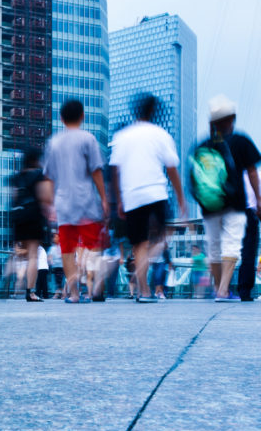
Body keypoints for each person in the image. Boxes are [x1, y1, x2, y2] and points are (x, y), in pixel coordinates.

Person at [110, 93, 187, 303]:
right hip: (156, 194)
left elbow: (115, 171)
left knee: (139, 245)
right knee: (161, 239)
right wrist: (181, 198)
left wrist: (119, 200)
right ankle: (142, 277)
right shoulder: (160, 134)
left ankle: (144, 292)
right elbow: (171, 169)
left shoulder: (122, 136)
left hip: (132, 196)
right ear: (153, 111)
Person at [191, 95, 261, 302]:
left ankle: (218, 287)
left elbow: (195, 176)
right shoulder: (241, 141)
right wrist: (258, 198)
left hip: (210, 204)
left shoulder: (203, 144)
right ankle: (223, 291)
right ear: (231, 118)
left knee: (213, 245)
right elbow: (252, 172)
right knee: (231, 244)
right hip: (235, 203)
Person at [43, 99, 109, 302]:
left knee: (67, 248)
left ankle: (73, 294)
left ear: (61, 118)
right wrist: (104, 198)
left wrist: (50, 204)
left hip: (63, 203)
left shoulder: (53, 142)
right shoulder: (88, 139)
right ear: (83, 116)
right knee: (93, 246)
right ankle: (94, 289)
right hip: (86, 201)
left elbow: (49, 178)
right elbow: (96, 170)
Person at [9, 148, 52, 302]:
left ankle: (8, 272)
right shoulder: (39, 175)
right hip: (33, 215)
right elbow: (45, 196)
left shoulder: (17, 177)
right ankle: (30, 292)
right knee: (33, 255)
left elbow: (14, 197)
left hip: (18, 216)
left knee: (21, 254)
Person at [241, 168, 260, 302]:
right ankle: (245, 290)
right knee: (249, 252)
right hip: (249, 213)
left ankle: (221, 288)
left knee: (229, 250)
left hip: (231, 214)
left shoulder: (235, 173)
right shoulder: (255, 173)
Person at [48, 234, 64, 298]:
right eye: (54, 237)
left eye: (57, 237)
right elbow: (49, 256)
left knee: (61, 280)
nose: (55, 239)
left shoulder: (62, 246)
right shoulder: (52, 248)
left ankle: (59, 294)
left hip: (62, 265)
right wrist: (50, 261)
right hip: (56, 266)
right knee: (57, 280)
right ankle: (59, 293)